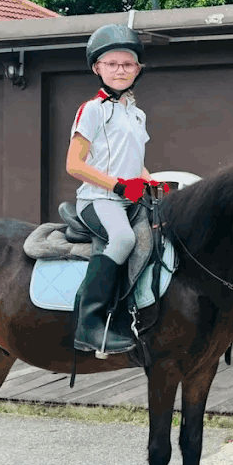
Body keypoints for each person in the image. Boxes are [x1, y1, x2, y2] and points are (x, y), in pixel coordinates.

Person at [64, 23, 166, 355]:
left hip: (129, 200)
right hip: (98, 199)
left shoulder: (137, 115)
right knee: (123, 239)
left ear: (138, 69)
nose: (120, 70)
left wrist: (151, 182)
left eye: (128, 64)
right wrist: (119, 186)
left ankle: (134, 314)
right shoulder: (91, 110)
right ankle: (89, 325)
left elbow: (135, 163)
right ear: (98, 68)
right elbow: (74, 165)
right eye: (112, 64)